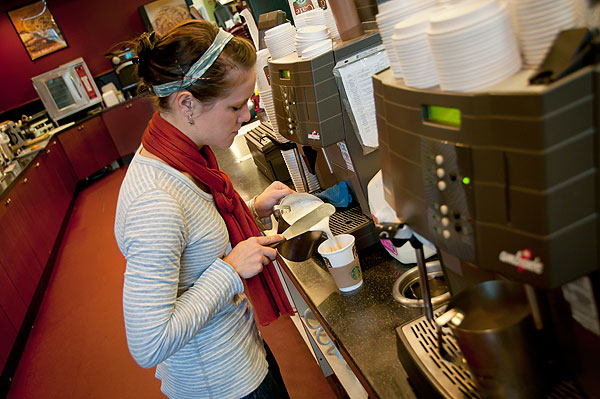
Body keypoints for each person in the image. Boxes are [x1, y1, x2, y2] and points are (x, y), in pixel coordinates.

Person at [114, 20, 295, 399]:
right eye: (235, 106)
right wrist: (229, 269)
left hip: (242, 355)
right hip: (222, 385)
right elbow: (149, 342)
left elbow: (192, 235)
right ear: (187, 103)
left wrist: (251, 208)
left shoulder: (180, 156)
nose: (245, 115)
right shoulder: (155, 200)